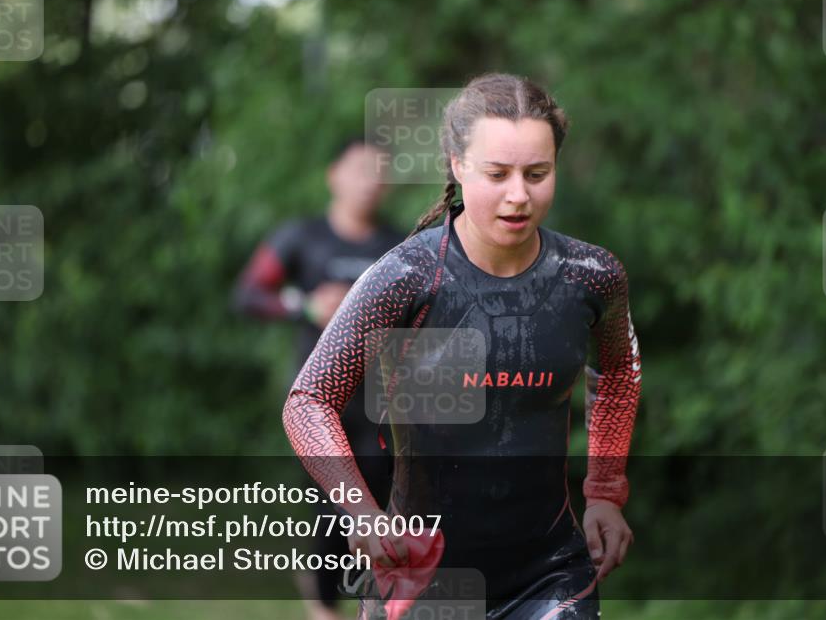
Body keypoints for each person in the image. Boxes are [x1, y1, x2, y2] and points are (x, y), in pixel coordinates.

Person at [282, 73, 642, 619]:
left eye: (537, 173)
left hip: (550, 571)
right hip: (422, 576)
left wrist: (605, 492)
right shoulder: (407, 276)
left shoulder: (590, 276)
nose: (518, 194)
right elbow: (309, 400)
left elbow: (617, 374)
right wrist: (361, 511)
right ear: (457, 164)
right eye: (497, 174)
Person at [234, 138, 401, 620]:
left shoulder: (394, 245)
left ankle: (369, 602)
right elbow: (247, 294)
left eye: (379, 171)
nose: (369, 180)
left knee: (376, 499)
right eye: (360, 169)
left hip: (379, 403)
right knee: (334, 505)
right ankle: (323, 605)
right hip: (319, 403)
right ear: (335, 176)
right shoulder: (302, 237)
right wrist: (304, 304)